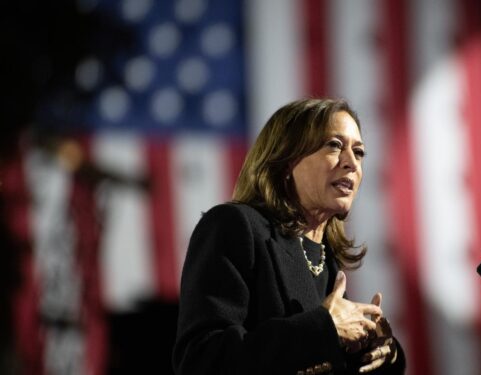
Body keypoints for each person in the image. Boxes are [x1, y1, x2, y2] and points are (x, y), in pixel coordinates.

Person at [173, 98, 406, 374]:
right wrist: (324, 329)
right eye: (334, 145)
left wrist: (376, 352)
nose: (351, 163)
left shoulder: (324, 257)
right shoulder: (234, 226)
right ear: (286, 161)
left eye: (359, 152)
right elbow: (202, 359)